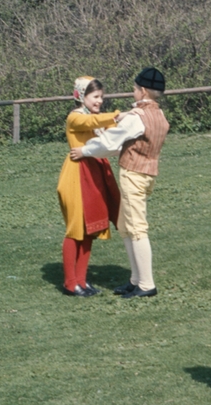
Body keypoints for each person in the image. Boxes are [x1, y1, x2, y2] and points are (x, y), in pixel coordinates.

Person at [70, 67, 169, 299]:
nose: (133, 92)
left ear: (143, 91)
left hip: (133, 175)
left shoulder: (136, 118)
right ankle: (135, 279)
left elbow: (110, 143)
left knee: (136, 229)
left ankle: (146, 284)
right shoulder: (160, 116)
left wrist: (84, 150)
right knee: (126, 226)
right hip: (147, 173)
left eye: (135, 89)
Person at [55, 76, 120, 297]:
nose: (99, 101)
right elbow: (91, 123)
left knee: (89, 230)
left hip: (93, 174)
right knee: (75, 229)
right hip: (76, 175)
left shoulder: (95, 118)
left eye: (102, 97)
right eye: (95, 96)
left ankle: (82, 280)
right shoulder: (75, 117)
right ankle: (69, 282)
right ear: (82, 96)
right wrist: (117, 116)